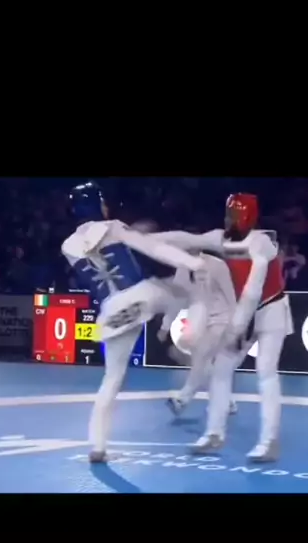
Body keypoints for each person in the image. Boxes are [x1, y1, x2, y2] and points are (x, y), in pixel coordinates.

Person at [61, 182, 208, 463]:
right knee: (185, 292)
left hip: (112, 312)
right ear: (97, 204)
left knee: (112, 380)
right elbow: (154, 248)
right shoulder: (114, 228)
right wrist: (193, 264)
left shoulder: (67, 246)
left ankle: (98, 446)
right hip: (143, 294)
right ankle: (189, 341)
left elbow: (94, 252)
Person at [154, 193, 293, 462]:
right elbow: (187, 239)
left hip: (270, 309)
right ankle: (214, 433)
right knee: (220, 370)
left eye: (236, 215)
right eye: (229, 214)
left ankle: (269, 442)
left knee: (265, 371)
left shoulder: (261, 242)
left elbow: (254, 289)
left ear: (249, 216)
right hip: (244, 311)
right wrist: (142, 239)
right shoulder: (222, 239)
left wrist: (238, 325)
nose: (231, 220)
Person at [156, 249, 239, 416]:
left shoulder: (217, 265)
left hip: (221, 318)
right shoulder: (182, 268)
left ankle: (182, 400)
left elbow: (231, 297)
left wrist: (236, 324)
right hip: (200, 321)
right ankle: (227, 401)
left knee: (201, 357)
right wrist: (165, 326)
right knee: (204, 364)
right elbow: (178, 299)